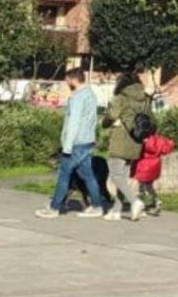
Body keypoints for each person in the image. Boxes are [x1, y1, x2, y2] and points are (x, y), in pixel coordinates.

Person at [36, 68, 108, 218]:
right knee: (88, 175)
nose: (66, 82)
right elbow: (93, 120)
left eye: (67, 79)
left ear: (73, 79)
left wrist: (67, 146)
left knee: (64, 174)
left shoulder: (78, 97)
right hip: (87, 141)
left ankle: (54, 207)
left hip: (76, 143)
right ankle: (96, 206)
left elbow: (73, 122)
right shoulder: (91, 95)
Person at [101, 74, 150, 221]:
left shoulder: (121, 98)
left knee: (116, 175)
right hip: (136, 140)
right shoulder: (144, 98)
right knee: (123, 176)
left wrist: (105, 121)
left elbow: (112, 115)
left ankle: (135, 201)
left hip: (120, 139)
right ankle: (117, 210)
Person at [131, 113, 175, 220]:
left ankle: (139, 205)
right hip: (155, 167)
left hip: (144, 167)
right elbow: (168, 146)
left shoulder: (145, 141)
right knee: (149, 186)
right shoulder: (159, 139)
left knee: (140, 186)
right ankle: (156, 200)